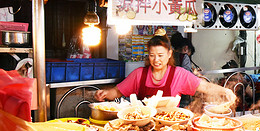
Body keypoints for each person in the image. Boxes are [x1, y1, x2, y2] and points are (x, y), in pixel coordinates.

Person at [94, 29, 235, 106]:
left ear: (169, 54)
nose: (156, 60)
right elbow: (117, 91)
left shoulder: (179, 74)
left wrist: (226, 91)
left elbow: (205, 87)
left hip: (172, 128)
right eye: (152, 55)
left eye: (160, 55)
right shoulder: (139, 75)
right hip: (144, 128)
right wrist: (105, 94)